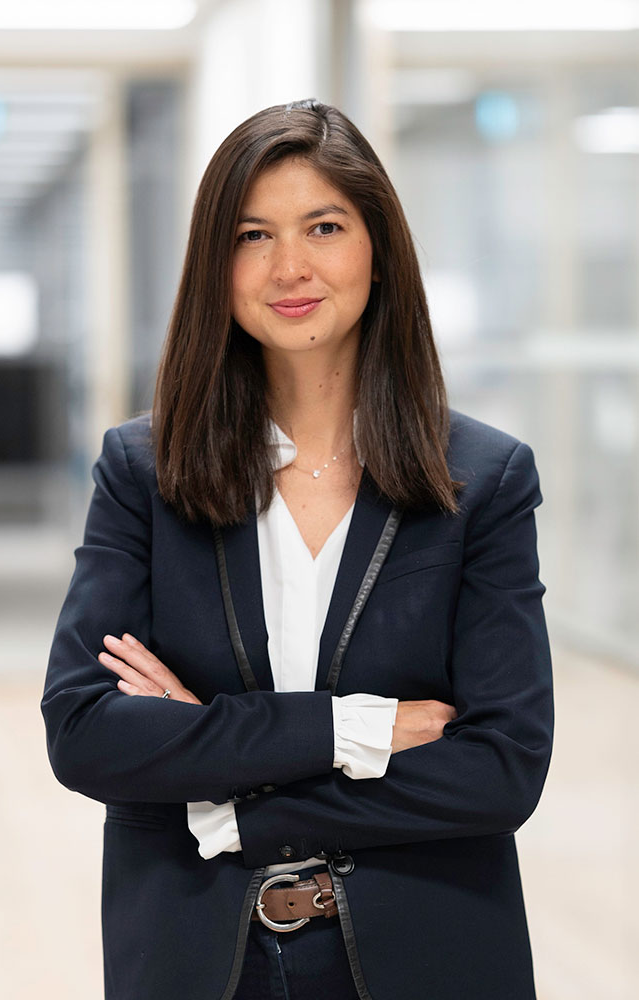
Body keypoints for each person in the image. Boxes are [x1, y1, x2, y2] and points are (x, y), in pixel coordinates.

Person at [41, 99, 554, 1000]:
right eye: (251, 234)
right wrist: (351, 728)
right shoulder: (143, 472)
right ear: (216, 263)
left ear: (377, 248)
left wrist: (223, 786)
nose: (289, 267)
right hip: (197, 959)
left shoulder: (483, 479)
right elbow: (86, 736)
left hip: (425, 954)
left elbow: (498, 770)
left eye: (323, 227)